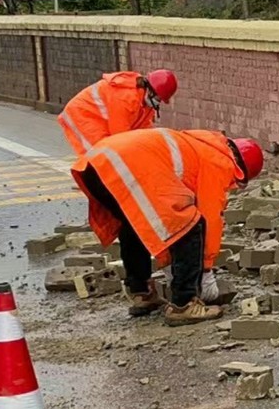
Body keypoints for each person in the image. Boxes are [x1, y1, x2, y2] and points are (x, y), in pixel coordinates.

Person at [72, 128, 263, 324]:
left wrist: (169, 263)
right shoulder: (219, 162)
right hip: (129, 167)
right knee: (190, 225)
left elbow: (154, 227)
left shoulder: (202, 143)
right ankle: (184, 304)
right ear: (241, 171)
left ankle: (142, 293)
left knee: (134, 224)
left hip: (96, 165)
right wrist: (205, 272)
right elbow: (209, 218)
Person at [58, 69, 177, 155]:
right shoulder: (126, 97)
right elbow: (120, 136)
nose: (158, 102)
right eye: (158, 99)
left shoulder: (144, 101)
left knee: (108, 151)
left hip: (96, 116)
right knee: (100, 151)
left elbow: (143, 129)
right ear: (151, 91)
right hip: (82, 114)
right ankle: (90, 182)